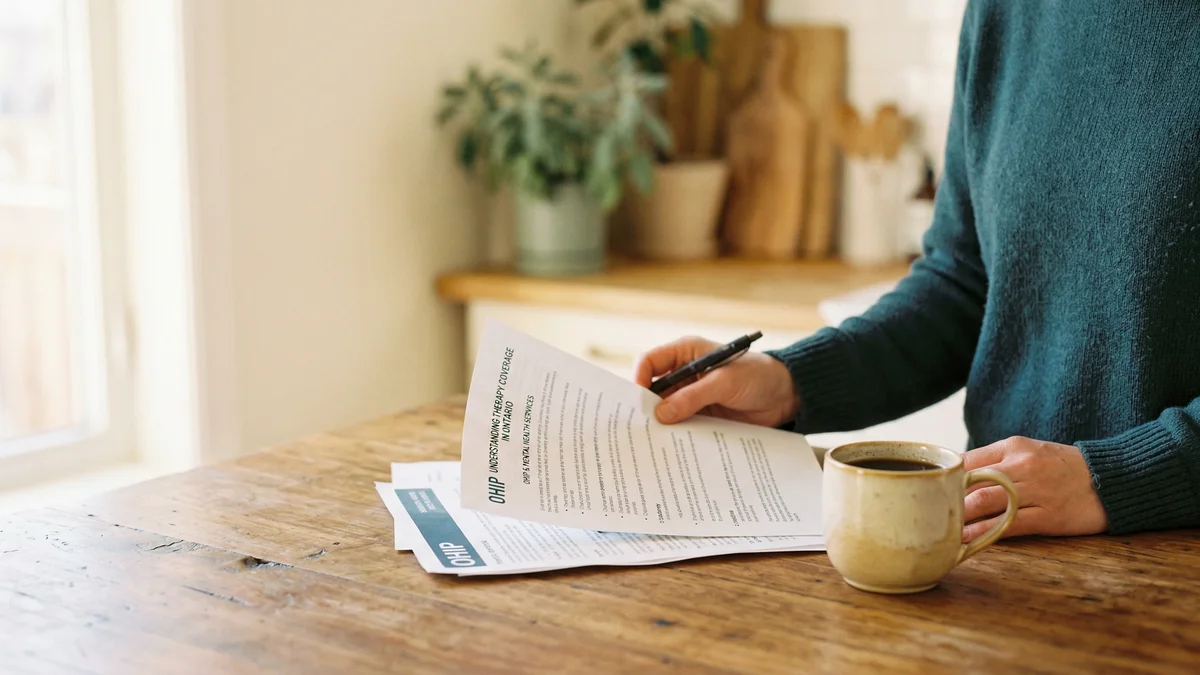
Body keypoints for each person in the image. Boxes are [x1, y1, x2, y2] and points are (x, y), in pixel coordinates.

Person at [635, 1, 1200, 542]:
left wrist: (1116, 477)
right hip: (994, 544)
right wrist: (790, 383)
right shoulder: (1006, 12)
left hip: (1170, 558)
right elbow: (960, 284)